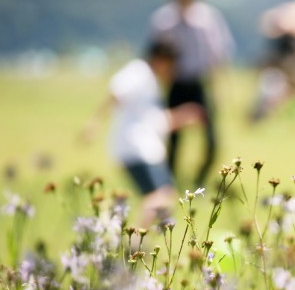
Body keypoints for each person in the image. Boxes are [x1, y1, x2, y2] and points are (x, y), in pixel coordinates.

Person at [82, 41, 204, 227]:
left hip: (146, 149)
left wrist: (183, 116)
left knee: (166, 196)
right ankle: (131, 242)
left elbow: (155, 121)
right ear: (161, 60)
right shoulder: (138, 72)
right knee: (159, 196)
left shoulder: (150, 83)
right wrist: (95, 122)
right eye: (172, 66)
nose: (172, 72)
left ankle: (136, 242)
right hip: (136, 148)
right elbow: (117, 93)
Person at [148, 0, 234, 187]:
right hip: (175, 84)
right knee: (172, 138)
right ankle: (168, 181)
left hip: (198, 82)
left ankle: (198, 181)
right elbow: (154, 55)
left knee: (211, 139)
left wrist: (218, 87)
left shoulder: (207, 18)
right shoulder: (163, 20)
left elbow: (218, 53)